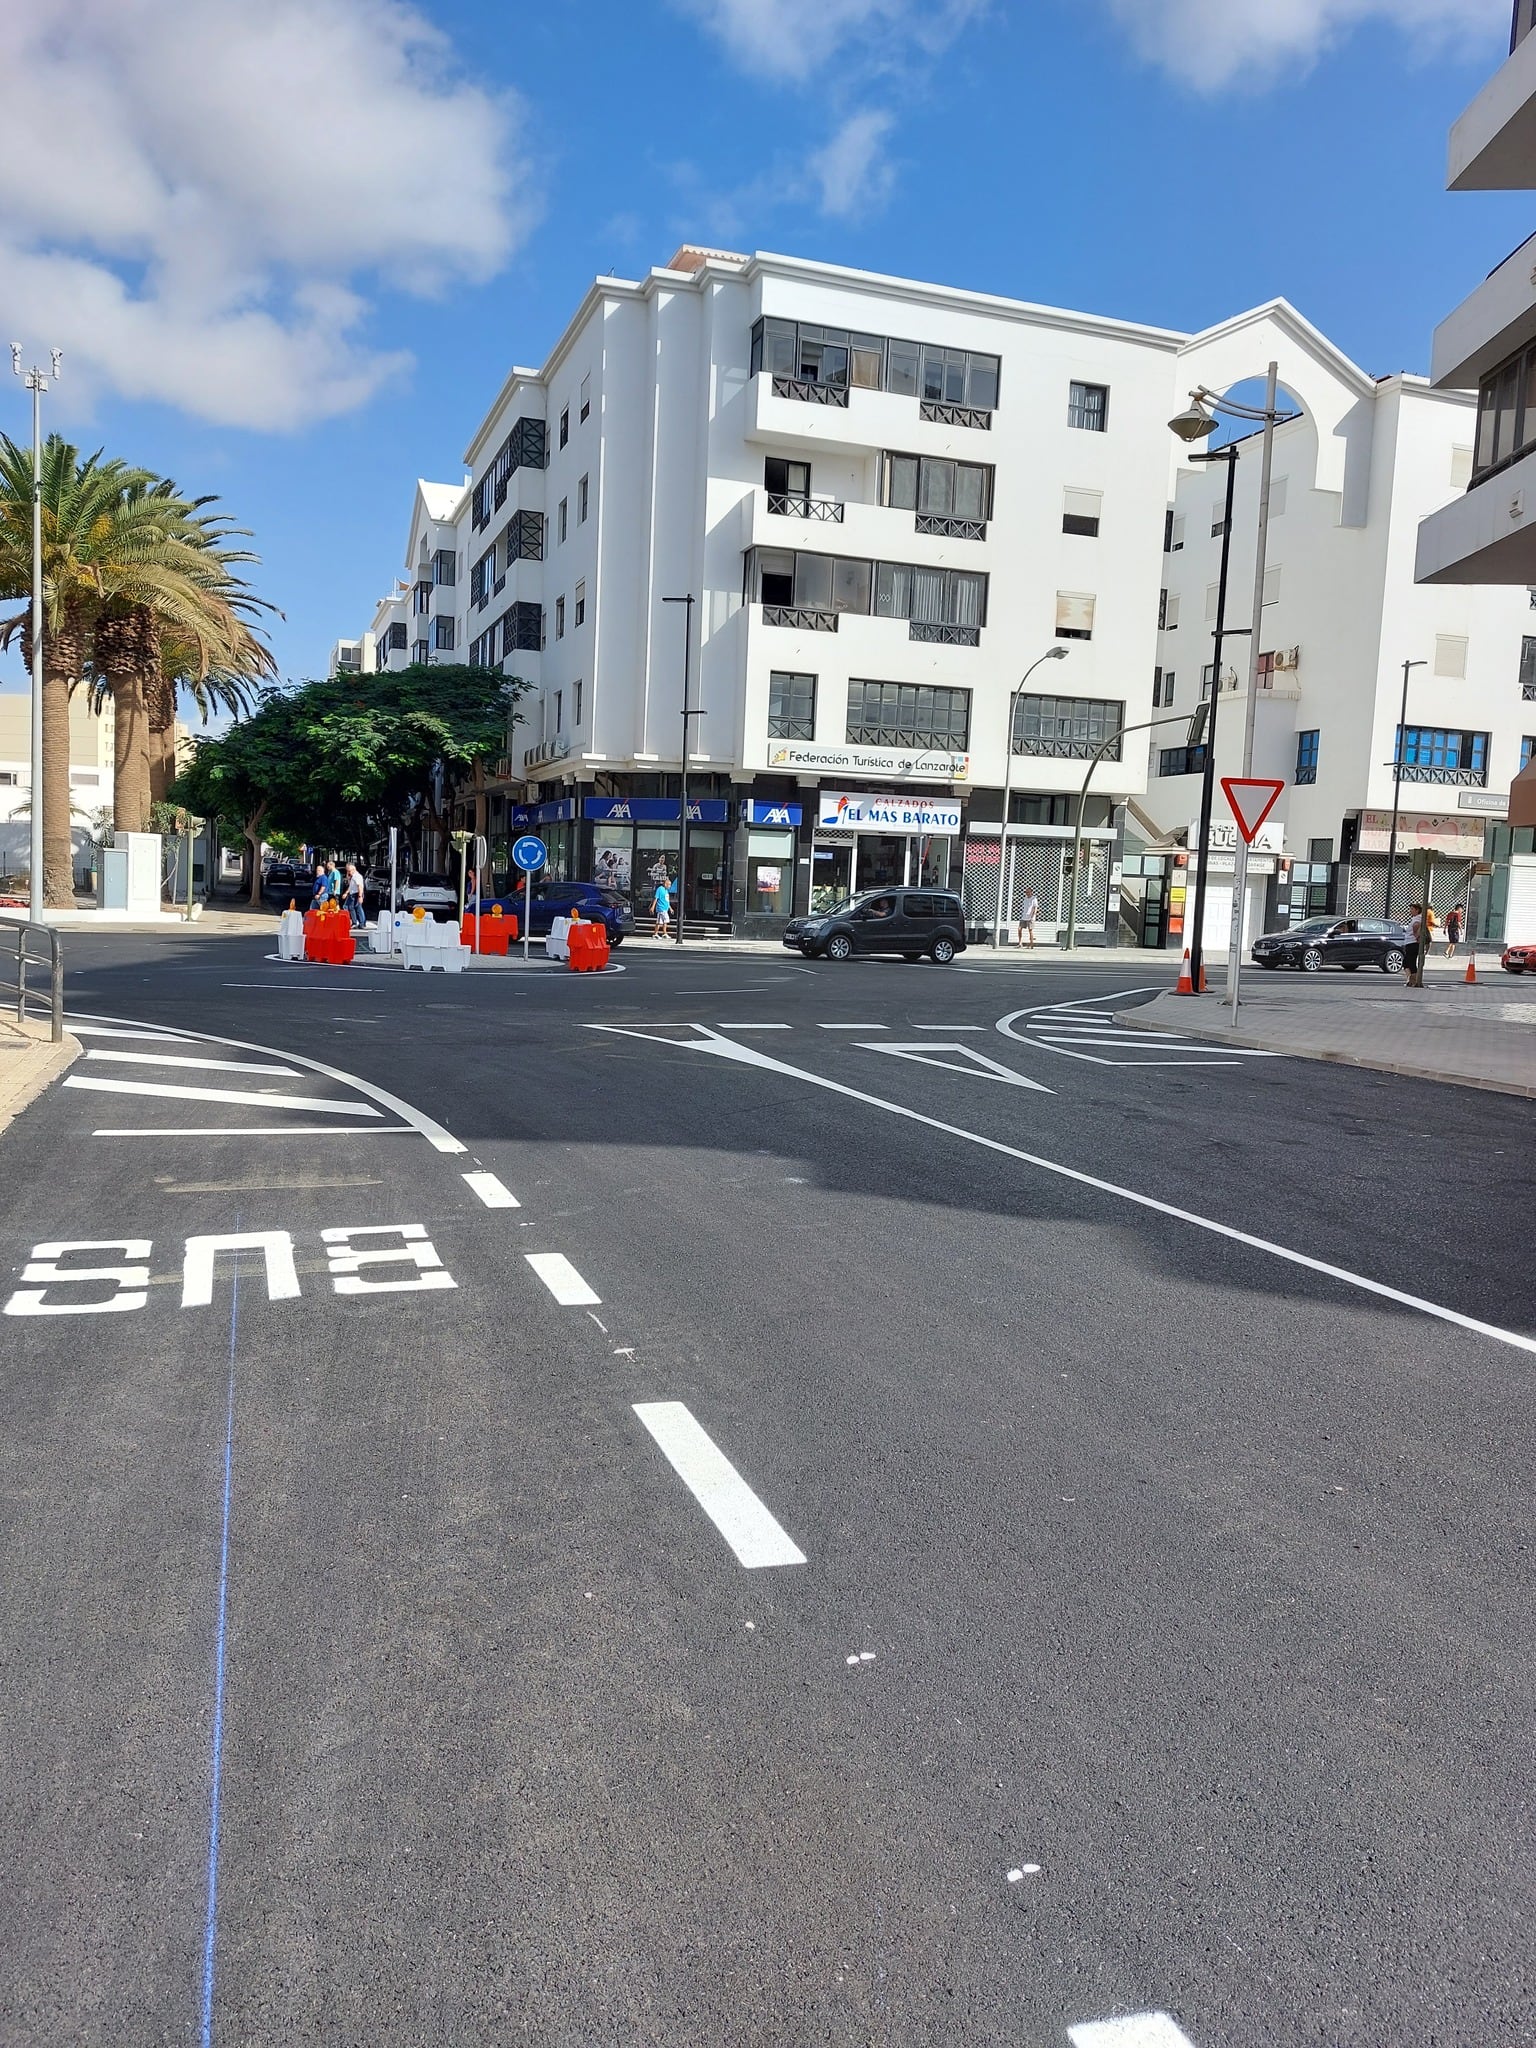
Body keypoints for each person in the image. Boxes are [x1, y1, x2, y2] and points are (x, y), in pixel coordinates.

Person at [343, 861, 366, 929]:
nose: (349, 872)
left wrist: (360, 896)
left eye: (349, 871)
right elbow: (351, 886)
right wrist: (346, 893)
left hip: (356, 894)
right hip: (353, 893)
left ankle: (361, 923)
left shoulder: (357, 876)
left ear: (353, 869)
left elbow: (360, 886)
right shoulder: (353, 876)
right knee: (351, 908)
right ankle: (356, 922)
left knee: (358, 908)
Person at [1404, 901, 1423, 982]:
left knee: (1411, 962)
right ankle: (1410, 979)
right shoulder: (1416, 918)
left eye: (1412, 909)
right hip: (1410, 942)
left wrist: (1416, 936)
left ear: (1417, 910)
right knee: (1406, 962)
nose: (1410, 911)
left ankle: (1413, 980)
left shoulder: (1417, 918)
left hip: (1412, 943)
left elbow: (1416, 926)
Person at [652, 873, 672, 939]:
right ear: (665, 884)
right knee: (665, 920)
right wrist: (653, 907)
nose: (669, 886)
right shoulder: (660, 889)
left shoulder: (666, 891)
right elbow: (656, 898)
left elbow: (667, 901)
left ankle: (656, 933)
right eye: (668, 884)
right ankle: (664, 933)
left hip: (665, 908)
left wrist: (670, 908)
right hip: (661, 908)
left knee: (660, 921)